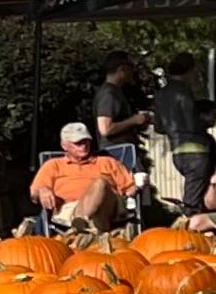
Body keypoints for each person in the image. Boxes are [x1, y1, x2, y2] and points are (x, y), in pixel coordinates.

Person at [34, 122, 137, 235]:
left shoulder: (107, 162)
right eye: (78, 143)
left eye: (86, 141)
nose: (83, 146)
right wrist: (43, 190)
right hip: (71, 210)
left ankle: (83, 223)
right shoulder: (53, 165)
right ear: (64, 145)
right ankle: (91, 229)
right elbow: (35, 192)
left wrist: (139, 184)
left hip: (108, 208)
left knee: (100, 184)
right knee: (94, 213)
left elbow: (130, 188)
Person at [150, 65, 211, 225]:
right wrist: (204, 121)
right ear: (190, 71)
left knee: (196, 191)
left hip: (177, 153)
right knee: (193, 201)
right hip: (198, 151)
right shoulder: (183, 92)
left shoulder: (161, 95)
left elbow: (159, 127)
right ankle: (191, 228)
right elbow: (191, 122)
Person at [92, 58, 152, 178]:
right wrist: (133, 120)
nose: (133, 73)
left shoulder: (115, 92)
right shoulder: (109, 94)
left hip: (123, 153)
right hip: (118, 155)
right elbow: (105, 129)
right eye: (131, 68)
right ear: (122, 69)